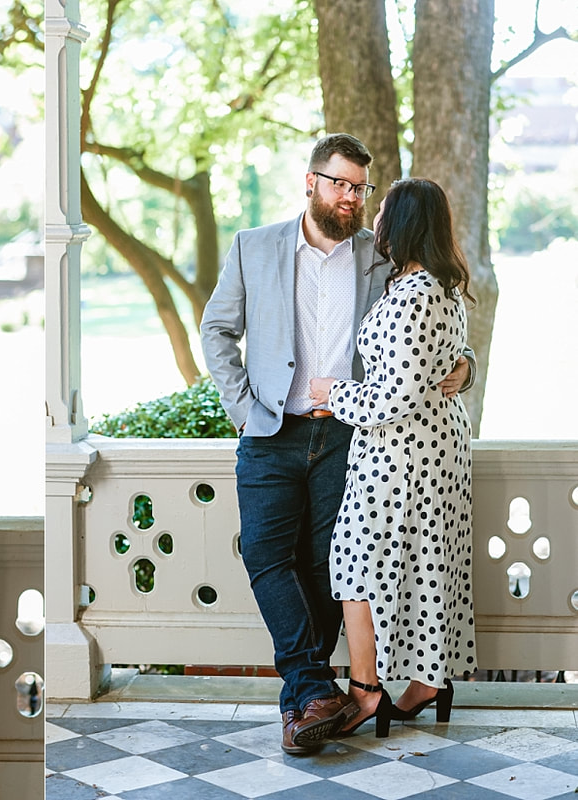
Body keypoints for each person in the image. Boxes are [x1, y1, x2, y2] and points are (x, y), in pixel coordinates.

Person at [199, 133, 473, 755]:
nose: (349, 197)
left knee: (331, 566)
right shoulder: (254, 246)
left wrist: (467, 365)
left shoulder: (381, 258)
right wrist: (244, 408)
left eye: (360, 187)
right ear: (311, 180)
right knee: (265, 555)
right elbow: (217, 330)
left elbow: (434, 321)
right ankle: (311, 686)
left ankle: (309, 699)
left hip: (350, 435)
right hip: (271, 431)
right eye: (339, 183)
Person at [309, 178, 477, 738]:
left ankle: (366, 691)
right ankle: (427, 682)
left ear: (402, 223)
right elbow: (444, 359)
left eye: (383, 212)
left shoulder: (414, 294)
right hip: (433, 448)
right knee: (426, 564)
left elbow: (391, 397)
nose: (375, 220)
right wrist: (466, 366)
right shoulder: (440, 287)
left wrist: (331, 392)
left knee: (355, 564)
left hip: (404, 454)